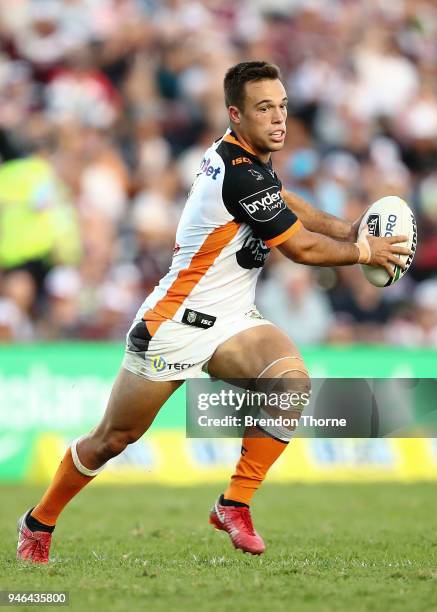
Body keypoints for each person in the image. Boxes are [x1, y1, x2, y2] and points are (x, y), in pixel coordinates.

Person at [17, 61, 410, 562]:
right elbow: (301, 251)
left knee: (290, 383)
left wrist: (349, 228)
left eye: (283, 106)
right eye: (264, 108)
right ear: (235, 115)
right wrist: (364, 253)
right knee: (112, 439)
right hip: (175, 325)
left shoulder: (248, 156)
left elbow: (284, 198)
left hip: (230, 320)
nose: (279, 119)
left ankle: (233, 503)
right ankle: (39, 520)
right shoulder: (239, 173)